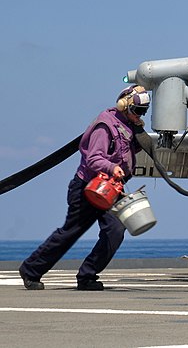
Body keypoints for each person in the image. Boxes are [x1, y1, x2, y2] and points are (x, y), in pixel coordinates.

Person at [18, 85, 150, 291]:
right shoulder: (105, 126)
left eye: (144, 111)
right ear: (125, 106)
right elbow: (94, 158)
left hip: (110, 189)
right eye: (138, 110)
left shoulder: (127, 126)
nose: (140, 115)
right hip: (87, 187)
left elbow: (125, 151)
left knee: (115, 231)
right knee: (70, 232)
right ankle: (31, 270)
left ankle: (87, 276)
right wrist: (112, 166)